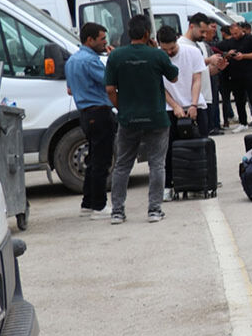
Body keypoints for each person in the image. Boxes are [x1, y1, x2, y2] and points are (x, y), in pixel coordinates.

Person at [104, 15, 178, 225]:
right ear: (147, 33)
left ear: (129, 33)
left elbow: (110, 89)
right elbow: (173, 77)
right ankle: (154, 210)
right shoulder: (157, 55)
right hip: (156, 118)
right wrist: (157, 51)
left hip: (128, 119)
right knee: (157, 164)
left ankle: (117, 212)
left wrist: (122, 108)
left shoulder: (116, 56)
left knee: (122, 165)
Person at [64, 22, 116, 218]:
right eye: (102, 39)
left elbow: (70, 89)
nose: (105, 43)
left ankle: (88, 202)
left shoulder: (72, 61)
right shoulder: (90, 61)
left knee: (93, 158)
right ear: (89, 40)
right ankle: (99, 206)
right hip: (99, 112)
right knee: (102, 160)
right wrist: (113, 60)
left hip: (85, 114)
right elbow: (109, 82)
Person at [158, 25, 205, 196]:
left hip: (195, 105)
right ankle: (169, 185)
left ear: (177, 40)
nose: (169, 52)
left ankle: (198, 184)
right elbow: (159, 86)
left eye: (172, 48)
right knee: (168, 150)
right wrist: (175, 106)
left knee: (197, 148)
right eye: (165, 50)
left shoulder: (192, 52)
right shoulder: (157, 57)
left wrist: (193, 104)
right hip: (169, 108)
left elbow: (197, 79)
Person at [218, 21, 252, 130]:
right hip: (235, 75)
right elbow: (222, 52)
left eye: (236, 33)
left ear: (241, 30)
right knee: (239, 100)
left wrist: (243, 56)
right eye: (232, 34)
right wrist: (228, 54)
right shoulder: (230, 42)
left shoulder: (251, 39)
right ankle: (243, 122)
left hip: (249, 73)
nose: (235, 36)